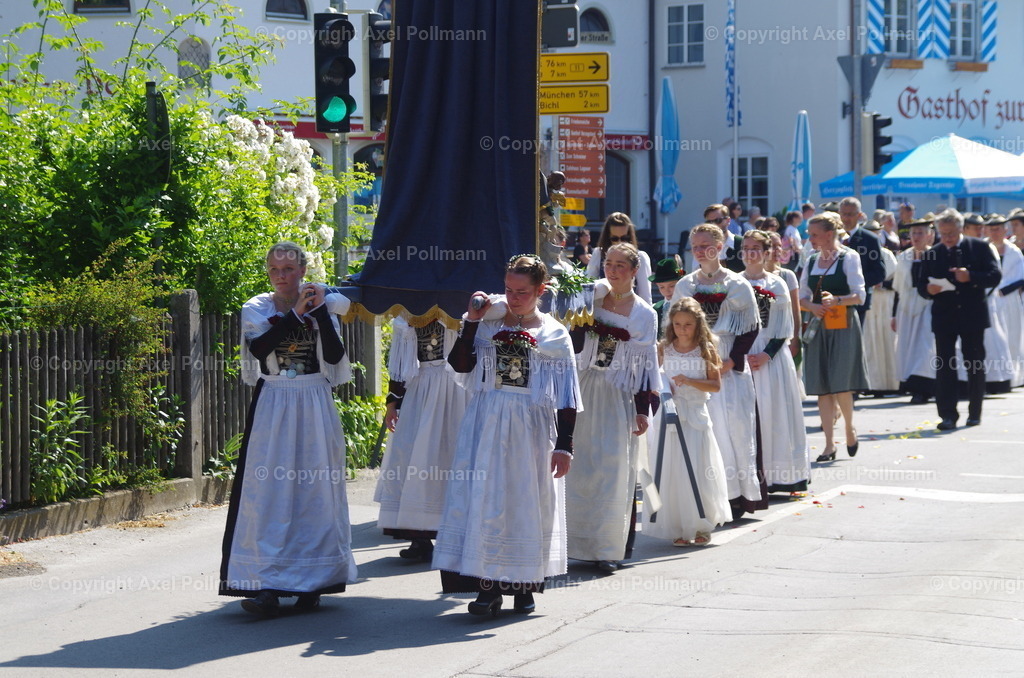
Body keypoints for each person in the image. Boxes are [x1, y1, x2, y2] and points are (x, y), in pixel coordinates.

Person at [433, 255, 581, 616]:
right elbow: (460, 364)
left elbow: (567, 395)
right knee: (484, 500)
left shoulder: (554, 333)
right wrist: (472, 320)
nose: (514, 298)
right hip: (486, 419)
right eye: (509, 291)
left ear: (540, 290)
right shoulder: (488, 324)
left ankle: (524, 585)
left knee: (523, 501)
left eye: (523, 292)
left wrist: (564, 445)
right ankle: (486, 588)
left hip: (530, 426)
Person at [220, 241, 357, 617]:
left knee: (314, 491)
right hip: (275, 401)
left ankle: (314, 581)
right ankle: (266, 584)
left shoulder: (323, 304)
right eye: (274, 270)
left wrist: (320, 314)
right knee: (269, 493)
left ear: (303, 272)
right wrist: (297, 314)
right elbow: (260, 347)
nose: (281, 277)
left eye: (288, 270)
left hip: (313, 400)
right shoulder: (257, 307)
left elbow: (333, 357)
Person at [566, 243, 659, 573]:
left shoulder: (645, 314)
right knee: (579, 468)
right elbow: (571, 344)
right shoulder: (588, 301)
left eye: (621, 265)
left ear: (635, 271)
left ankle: (607, 547)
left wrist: (642, 409)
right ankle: (572, 543)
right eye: (609, 263)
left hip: (619, 394)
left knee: (614, 469)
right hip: (584, 386)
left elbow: (647, 367)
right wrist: (580, 313)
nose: (613, 270)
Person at [671, 223, 765, 518]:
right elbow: (672, 326)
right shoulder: (685, 284)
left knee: (734, 428)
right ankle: (705, 498)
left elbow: (750, 328)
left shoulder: (737, 284)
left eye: (705, 246)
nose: (700, 251)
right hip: (695, 360)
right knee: (702, 428)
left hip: (728, 362)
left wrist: (732, 361)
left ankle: (737, 498)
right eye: (695, 247)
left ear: (720, 246)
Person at [374, 316, 468, 561]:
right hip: (421, 387)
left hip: (457, 387)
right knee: (415, 457)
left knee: (453, 456)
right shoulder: (410, 311)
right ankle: (420, 535)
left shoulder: (460, 306)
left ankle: (459, 534)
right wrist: (392, 401)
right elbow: (401, 361)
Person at [645, 298, 731, 546]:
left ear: (697, 324)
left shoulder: (706, 349)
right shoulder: (664, 348)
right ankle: (680, 526)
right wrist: (661, 390)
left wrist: (690, 381)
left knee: (697, 467)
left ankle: (702, 525)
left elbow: (715, 385)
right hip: (670, 415)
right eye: (678, 324)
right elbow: (655, 379)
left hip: (695, 417)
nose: (682, 329)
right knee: (673, 469)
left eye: (688, 325)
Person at [917, 209, 1002, 431]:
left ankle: (975, 413)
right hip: (944, 317)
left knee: (974, 364)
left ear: (961, 229)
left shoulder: (980, 247)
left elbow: (995, 275)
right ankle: (947, 415)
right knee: (945, 366)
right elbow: (919, 285)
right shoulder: (931, 253)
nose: (947, 238)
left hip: (972, 315)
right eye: (943, 234)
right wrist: (928, 289)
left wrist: (971, 276)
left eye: (952, 233)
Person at [741, 230, 809, 492]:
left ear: (767, 252)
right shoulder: (734, 283)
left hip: (772, 356)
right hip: (744, 356)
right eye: (746, 248)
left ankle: (781, 475)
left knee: (775, 413)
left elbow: (784, 326)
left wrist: (765, 355)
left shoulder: (777, 283)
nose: (750, 253)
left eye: (756, 248)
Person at [799, 212, 869, 462]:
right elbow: (802, 296)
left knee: (840, 382)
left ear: (830, 234)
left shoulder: (849, 257)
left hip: (843, 324)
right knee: (822, 386)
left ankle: (849, 427)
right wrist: (813, 306)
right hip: (819, 325)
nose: (810, 238)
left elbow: (860, 295)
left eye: (814, 234)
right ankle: (829, 444)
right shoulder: (811, 260)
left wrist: (836, 300)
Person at [892, 217, 937, 404]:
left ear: (929, 235)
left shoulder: (935, 255)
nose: (917, 237)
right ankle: (910, 384)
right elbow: (898, 287)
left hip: (928, 305)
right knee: (906, 346)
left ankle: (924, 388)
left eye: (921, 233)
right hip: (906, 306)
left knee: (925, 347)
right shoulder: (904, 257)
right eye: (914, 233)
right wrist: (893, 314)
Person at [860, 218, 900, 395]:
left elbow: (897, 280)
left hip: (884, 302)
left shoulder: (886, 254)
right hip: (870, 302)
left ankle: (889, 381)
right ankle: (869, 382)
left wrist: (882, 284)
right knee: (869, 339)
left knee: (885, 339)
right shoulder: (859, 252)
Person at [980, 215, 1020, 391]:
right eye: (991, 229)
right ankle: (992, 377)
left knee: (1012, 337)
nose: (994, 232)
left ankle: (1013, 376)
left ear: (1005, 230)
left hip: (1009, 301)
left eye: (998, 229)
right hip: (989, 300)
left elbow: (1021, 276)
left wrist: (1004, 290)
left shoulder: (1014, 252)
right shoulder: (982, 248)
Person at [838, 197, 886, 324]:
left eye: (850, 214)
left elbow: (879, 272)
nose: (846, 218)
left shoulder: (870, 239)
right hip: (833, 298)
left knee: (853, 341)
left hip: (858, 301)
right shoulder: (832, 237)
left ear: (859, 215)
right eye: (843, 214)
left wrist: (856, 282)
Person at [586, 212, 653, 303]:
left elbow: (645, 295)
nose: (620, 242)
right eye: (614, 239)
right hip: (603, 310)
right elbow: (588, 286)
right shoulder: (599, 253)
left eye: (624, 238)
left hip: (630, 311)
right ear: (607, 238)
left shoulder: (640, 257)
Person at [764, 231, 803, 362]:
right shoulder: (749, 277)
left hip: (784, 336)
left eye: (779, 245)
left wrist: (795, 339)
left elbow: (795, 311)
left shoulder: (787, 275)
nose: (777, 250)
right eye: (772, 246)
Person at [650, 256, 685, 337]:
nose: (667, 290)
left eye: (672, 286)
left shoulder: (687, 306)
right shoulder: (656, 308)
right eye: (662, 287)